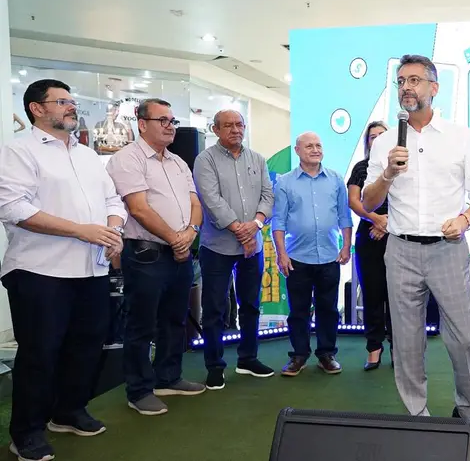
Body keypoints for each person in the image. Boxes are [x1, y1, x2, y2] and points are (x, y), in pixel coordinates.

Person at [362, 54, 470, 446]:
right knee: (407, 342)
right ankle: (418, 420)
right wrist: (388, 173)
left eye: (414, 80)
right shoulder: (385, 142)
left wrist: (465, 219)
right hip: (401, 251)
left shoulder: (461, 136)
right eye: (400, 82)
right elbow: (370, 201)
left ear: (434, 87)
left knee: (463, 337)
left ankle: (469, 411)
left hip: (448, 249)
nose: (406, 87)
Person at [0, 79, 126, 461]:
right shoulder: (18, 151)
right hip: (40, 271)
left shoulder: (87, 155)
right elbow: (13, 208)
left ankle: (69, 411)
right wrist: (81, 230)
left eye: (72, 101)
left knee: (86, 346)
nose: (72, 106)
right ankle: (26, 432)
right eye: (62, 101)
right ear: (37, 109)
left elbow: (113, 199)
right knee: (39, 354)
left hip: (91, 270)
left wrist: (114, 230)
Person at [106, 98, 206, 417]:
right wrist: (176, 238)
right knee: (141, 325)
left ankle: (168, 377)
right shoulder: (127, 159)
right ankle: (139, 390)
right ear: (142, 123)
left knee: (174, 320)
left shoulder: (178, 162)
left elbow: (195, 203)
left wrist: (190, 233)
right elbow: (138, 208)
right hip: (146, 254)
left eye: (172, 121)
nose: (170, 126)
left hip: (181, 252)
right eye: (162, 120)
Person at [193, 109, 276, 389]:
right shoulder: (205, 160)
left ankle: (248, 359)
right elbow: (211, 200)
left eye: (240, 124)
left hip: (252, 246)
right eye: (228, 125)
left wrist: (256, 224)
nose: (236, 130)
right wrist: (241, 231)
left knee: (251, 305)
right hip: (217, 247)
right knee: (215, 309)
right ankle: (215, 366)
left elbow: (268, 196)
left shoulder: (257, 159)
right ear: (215, 130)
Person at [272, 131, 353, 376]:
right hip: (297, 257)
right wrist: (281, 254)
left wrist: (346, 245)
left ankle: (326, 354)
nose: (315, 150)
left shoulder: (335, 179)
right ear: (297, 150)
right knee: (298, 311)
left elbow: (344, 216)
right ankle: (299, 356)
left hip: (330, 256)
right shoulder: (285, 182)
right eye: (309, 146)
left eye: (318, 145)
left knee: (328, 309)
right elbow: (278, 221)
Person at [347, 121, 394, 370]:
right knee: (372, 295)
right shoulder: (361, 168)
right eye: (372, 136)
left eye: (381, 135)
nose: (376, 139)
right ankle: (374, 348)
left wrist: (387, 223)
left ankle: (398, 349)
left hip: (398, 234)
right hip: (369, 235)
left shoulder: (402, 167)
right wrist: (376, 219)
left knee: (398, 297)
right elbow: (354, 202)